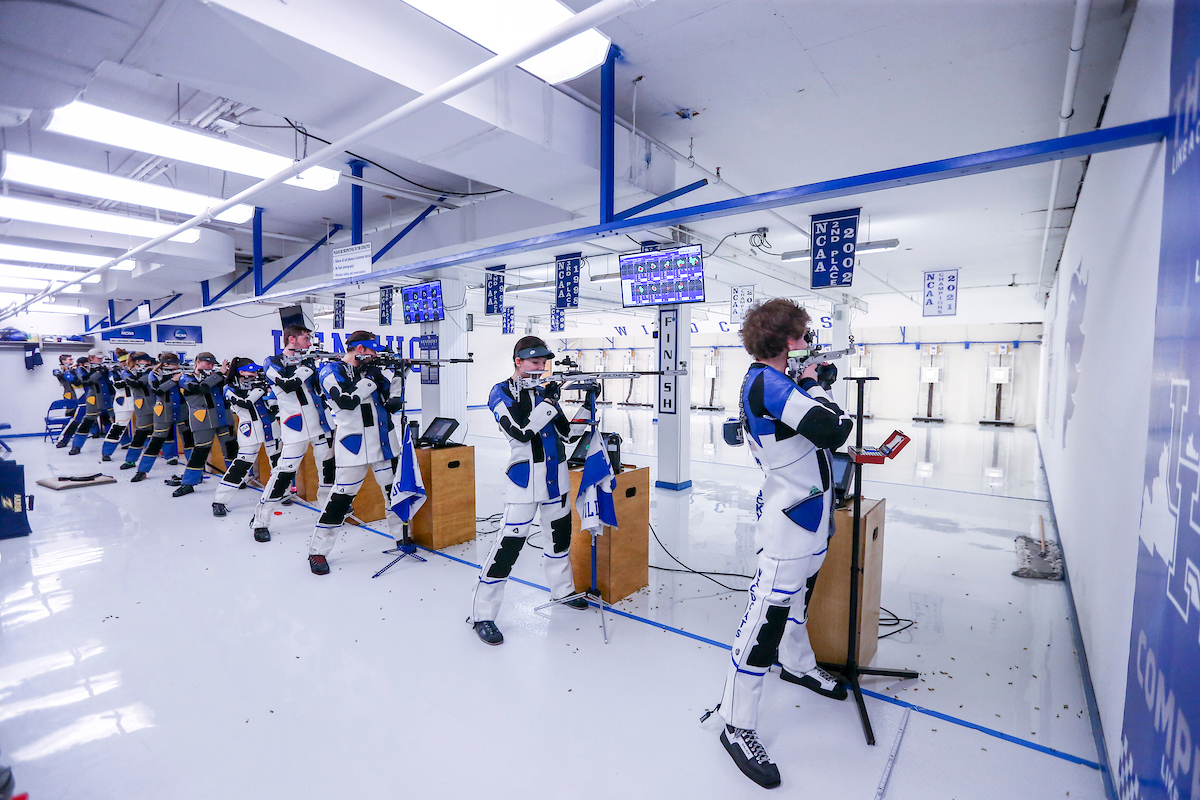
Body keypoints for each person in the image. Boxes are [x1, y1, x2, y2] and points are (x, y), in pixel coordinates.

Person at [715, 298, 854, 789]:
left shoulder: (773, 379)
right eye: (802, 336)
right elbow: (835, 428)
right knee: (764, 620)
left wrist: (810, 378)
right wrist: (814, 381)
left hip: (809, 514)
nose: (808, 341)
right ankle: (736, 723)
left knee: (795, 603)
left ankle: (798, 667)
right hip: (789, 523)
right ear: (785, 342)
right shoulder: (769, 383)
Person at [469, 336, 587, 646]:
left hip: (556, 480)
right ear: (518, 362)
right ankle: (483, 614)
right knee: (507, 549)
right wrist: (548, 403)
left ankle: (563, 592)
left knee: (559, 541)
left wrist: (588, 404)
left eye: (544, 362)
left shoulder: (543, 391)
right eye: (535, 361)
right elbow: (520, 433)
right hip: (524, 483)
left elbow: (566, 434)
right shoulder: (501, 392)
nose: (542, 367)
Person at [307, 330, 405, 575]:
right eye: (372, 350)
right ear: (360, 349)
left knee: (392, 492)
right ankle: (317, 551)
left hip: (384, 442)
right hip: (354, 444)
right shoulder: (331, 371)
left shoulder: (370, 371)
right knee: (341, 498)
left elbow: (393, 403)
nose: (375, 355)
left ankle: (401, 537)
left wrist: (398, 375)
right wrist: (370, 379)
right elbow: (345, 400)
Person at [248, 324, 334, 543]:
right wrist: (306, 366)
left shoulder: (308, 361)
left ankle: (328, 513)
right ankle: (260, 519)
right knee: (284, 473)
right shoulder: (273, 361)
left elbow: (319, 389)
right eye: (305, 338)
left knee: (328, 470)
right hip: (295, 425)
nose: (309, 342)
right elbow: (287, 385)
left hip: (321, 423)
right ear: (292, 339)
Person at [214, 358, 282, 517]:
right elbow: (245, 403)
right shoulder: (229, 388)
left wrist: (273, 396)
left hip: (271, 427)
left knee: (278, 464)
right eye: (250, 371)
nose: (255, 373)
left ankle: (279, 492)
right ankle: (220, 500)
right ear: (241, 372)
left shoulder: (260, 383)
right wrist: (259, 389)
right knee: (240, 467)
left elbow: (273, 405)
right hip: (250, 430)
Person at [173, 352, 234, 498]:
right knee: (200, 452)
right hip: (203, 420)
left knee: (231, 449)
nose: (211, 366)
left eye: (213, 364)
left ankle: (235, 478)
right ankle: (188, 483)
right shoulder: (185, 378)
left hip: (224, 418)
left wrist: (229, 374)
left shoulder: (217, 376)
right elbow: (201, 388)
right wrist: (219, 374)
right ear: (198, 362)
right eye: (208, 363)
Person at [130, 353, 184, 482]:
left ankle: (194, 472)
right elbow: (157, 390)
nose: (177, 366)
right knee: (156, 441)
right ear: (165, 364)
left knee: (188, 441)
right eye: (174, 364)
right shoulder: (154, 375)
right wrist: (173, 380)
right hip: (163, 410)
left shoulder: (181, 373)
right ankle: (142, 470)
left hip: (182, 410)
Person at [67, 348, 114, 456]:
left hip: (108, 397)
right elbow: (86, 381)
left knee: (113, 421)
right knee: (87, 422)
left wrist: (112, 371)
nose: (101, 359)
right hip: (93, 398)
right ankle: (76, 446)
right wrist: (98, 372)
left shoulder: (105, 367)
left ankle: (124, 443)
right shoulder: (82, 369)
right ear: (91, 358)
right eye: (98, 358)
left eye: (102, 358)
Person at [119, 353, 157, 470]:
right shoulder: (127, 372)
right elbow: (136, 383)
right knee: (141, 432)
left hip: (159, 403)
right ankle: (131, 460)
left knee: (162, 432)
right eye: (146, 361)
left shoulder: (154, 371)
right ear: (138, 361)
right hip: (143, 404)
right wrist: (150, 373)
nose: (149, 363)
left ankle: (170, 457)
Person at [100, 350, 134, 462]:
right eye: (123, 361)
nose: (126, 363)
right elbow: (118, 384)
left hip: (139, 401)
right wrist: (133, 380)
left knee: (146, 428)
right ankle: (106, 452)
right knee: (118, 427)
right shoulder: (115, 371)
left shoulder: (136, 370)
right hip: (123, 402)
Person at [52, 353, 84, 448]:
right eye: (69, 360)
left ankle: (93, 433)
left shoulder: (75, 369)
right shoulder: (59, 370)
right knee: (69, 415)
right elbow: (58, 374)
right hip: (69, 395)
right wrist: (67, 371)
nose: (72, 361)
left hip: (80, 394)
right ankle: (64, 435)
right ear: (63, 361)